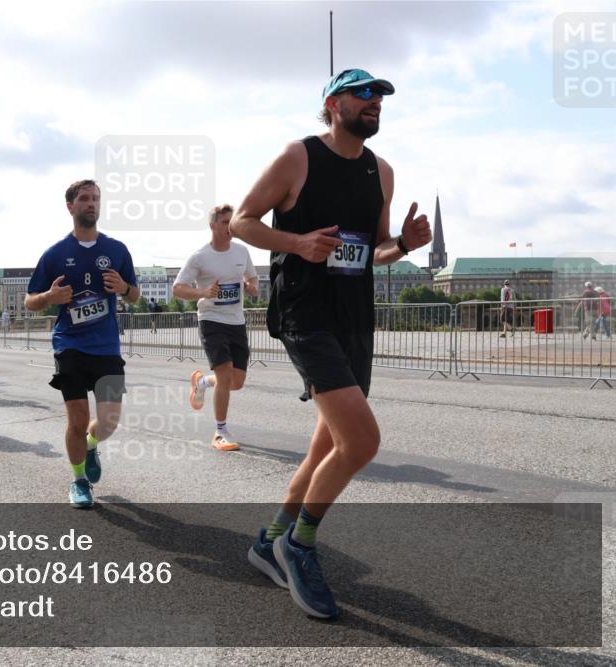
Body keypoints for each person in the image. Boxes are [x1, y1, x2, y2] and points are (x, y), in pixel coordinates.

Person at [231, 69, 431, 619]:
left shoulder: (380, 171)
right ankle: (299, 545)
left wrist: (403, 245)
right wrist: (296, 241)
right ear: (333, 102)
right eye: (364, 94)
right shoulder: (298, 157)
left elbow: (376, 250)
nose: (375, 104)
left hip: (353, 318)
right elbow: (243, 221)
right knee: (362, 443)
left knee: (327, 446)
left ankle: (268, 539)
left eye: (381, 98)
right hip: (304, 312)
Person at [25, 179, 140, 508]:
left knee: (108, 422)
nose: (92, 203)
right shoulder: (56, 254)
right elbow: (31, 301)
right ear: (70, 206)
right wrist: (50, 296)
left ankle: (91, 444)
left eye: (96, 198)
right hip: (70, 345)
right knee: (76, 419)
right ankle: (78, 481)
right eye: (85, 198)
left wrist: (122, 288)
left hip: (106, 347)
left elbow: (135, 295)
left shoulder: (116, 251)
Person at [174, 203, 259, 451]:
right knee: (225, 374)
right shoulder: (200, 257)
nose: (229, 227)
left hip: (236, 321)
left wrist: (251, 286)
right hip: (211, 319)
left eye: (232, 223)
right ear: (212, 225)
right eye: (224, 222)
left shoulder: (242, 252)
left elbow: (252, 277)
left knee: (237, 381)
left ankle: (202, 383)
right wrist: (202, 291)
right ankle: (220, 431)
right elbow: (178, 288)